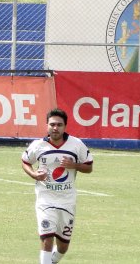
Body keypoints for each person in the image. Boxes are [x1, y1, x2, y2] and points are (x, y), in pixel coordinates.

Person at [21, 108, 93, 264]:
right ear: (47, 125)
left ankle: (53, 261)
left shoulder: (76, 144)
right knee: (47, 239)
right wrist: (34, 175)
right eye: (52, 124)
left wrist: (74, 165)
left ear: (65, 126)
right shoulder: (38, 145)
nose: (55, 128)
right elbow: (26, 162)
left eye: (59, 125)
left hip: (67, 201)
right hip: (45, 200)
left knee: (63, 247)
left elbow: (89, 167)